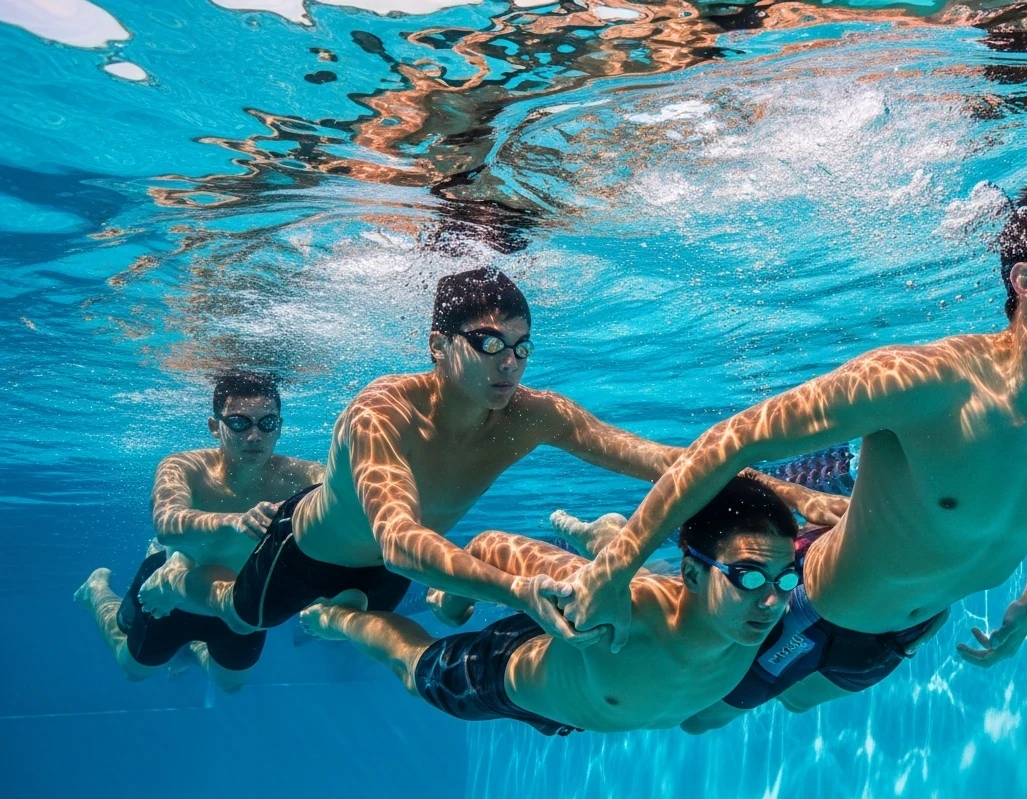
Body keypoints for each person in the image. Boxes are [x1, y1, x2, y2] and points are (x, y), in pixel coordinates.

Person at [557, 185, 1027, 731]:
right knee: (698, 718)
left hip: (909, 632)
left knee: (793, 700)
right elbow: (731, 441)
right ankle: (617, 552)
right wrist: (613, 573)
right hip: (809, 608)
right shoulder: (926, 383)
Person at [137, 268, 842, 644]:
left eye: (522, 345)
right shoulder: (380, 413)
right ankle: (170, 583)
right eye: (490, 344)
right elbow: (401, 538)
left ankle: (368, 610)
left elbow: (662, 460)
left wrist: (794, 496)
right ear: (438, 346)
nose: (511, 364)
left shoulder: (534, 414)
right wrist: (514, 591)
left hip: (387, 568)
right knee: (243, 620)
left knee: (403, 612)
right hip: (313, 546)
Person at [299, 476, 798, 734]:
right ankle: (339, 617)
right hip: (507, 675)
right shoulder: (618, 612)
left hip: (575, 708)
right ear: (692, 573)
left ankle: (604, 536)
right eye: (748, 577)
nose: (772, 599)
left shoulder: (764, 618)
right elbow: (493, 543)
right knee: (415, 672)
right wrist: (453, 603)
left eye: (784, 577)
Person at [74, 372, 322, 692]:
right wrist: (234, 522)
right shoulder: (182, 465)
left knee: (230, 686)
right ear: (214, 426)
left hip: (239, 597)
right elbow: (166, 524)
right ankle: (95, 591)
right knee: (134, 670)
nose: (254, 436)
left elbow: (345, 498)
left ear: (280, 426)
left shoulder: (306, 475)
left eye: (267, 423)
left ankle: (194, 648)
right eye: (238, 423)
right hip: (169, 592)